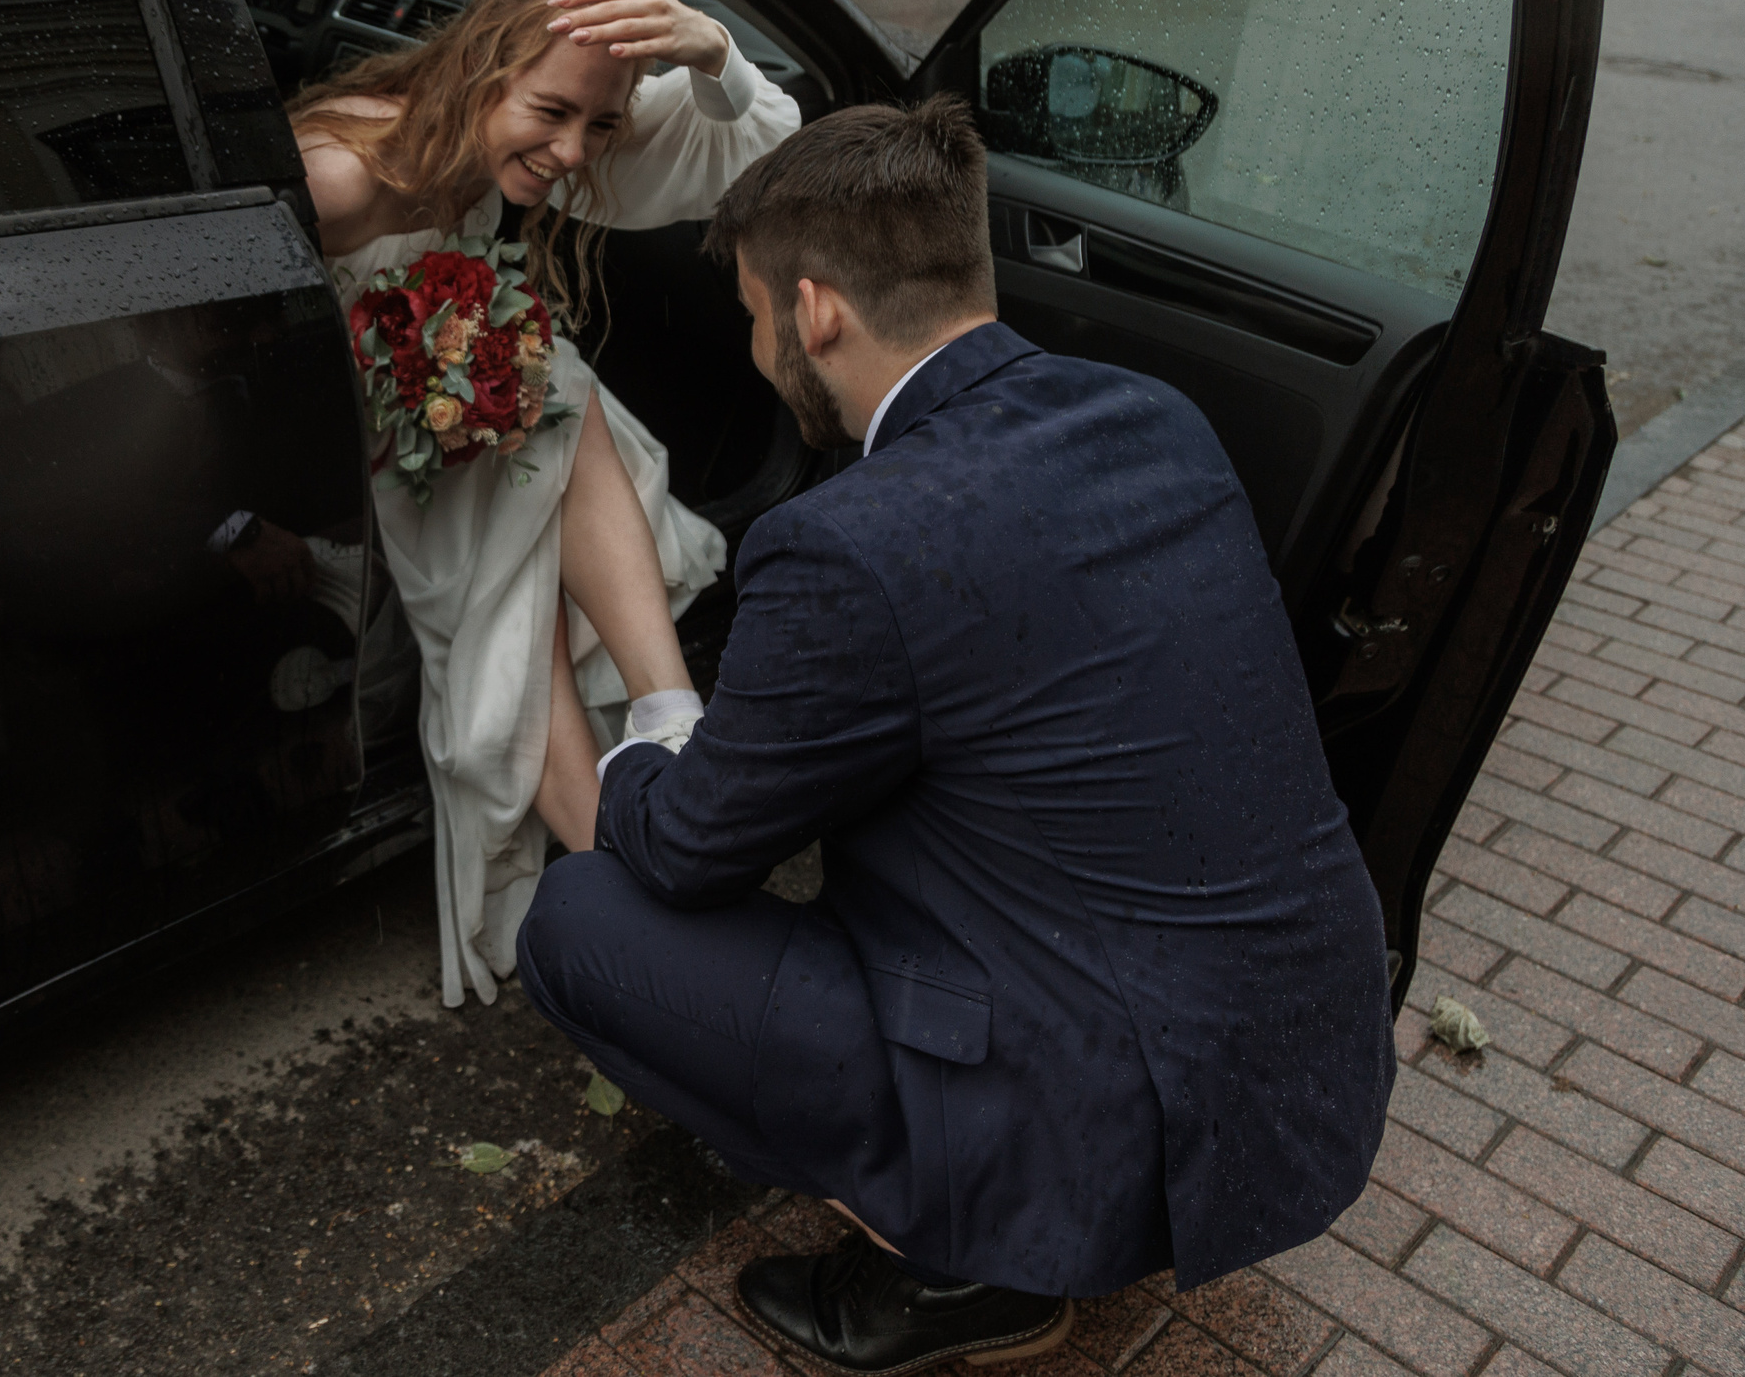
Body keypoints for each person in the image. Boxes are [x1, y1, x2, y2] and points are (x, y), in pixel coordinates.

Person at [516, 99, 1394, 1371]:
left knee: (580, 921)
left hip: (1093, 1138)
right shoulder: (1157, 416)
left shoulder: (843, 544)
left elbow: (692, 850)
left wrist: (655, 726)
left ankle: (956, 1265)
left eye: (756, 317)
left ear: (815, 309)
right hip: (1298, 1073)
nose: (758, 348)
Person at [295, 0, 800, 1007]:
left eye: (598, 123)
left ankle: (665, 744)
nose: (575, 153)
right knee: (543, 431)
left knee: (544, 398)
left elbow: (751, 148)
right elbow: (229, 343)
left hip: (478, 432)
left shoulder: (531, 131)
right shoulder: (336, 179)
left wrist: (709, 46)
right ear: (484, 70)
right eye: (553, 114)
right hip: (381, 458)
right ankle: (656, 832)